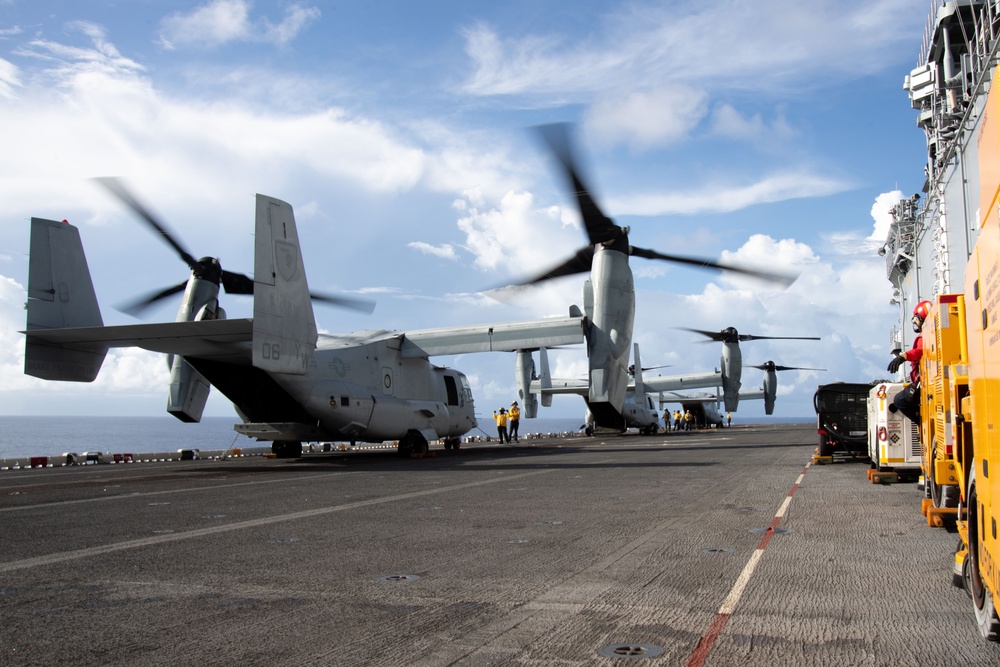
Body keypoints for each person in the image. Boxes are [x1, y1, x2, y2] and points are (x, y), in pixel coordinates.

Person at [888, 300, 931, 424]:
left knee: (899, 401)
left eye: (916, 319)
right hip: (925, 381)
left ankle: (921, 423)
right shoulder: (931, 334)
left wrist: (904, 356)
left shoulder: (924, 337)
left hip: (921, 383)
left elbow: (920, 351)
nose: (915, 323)